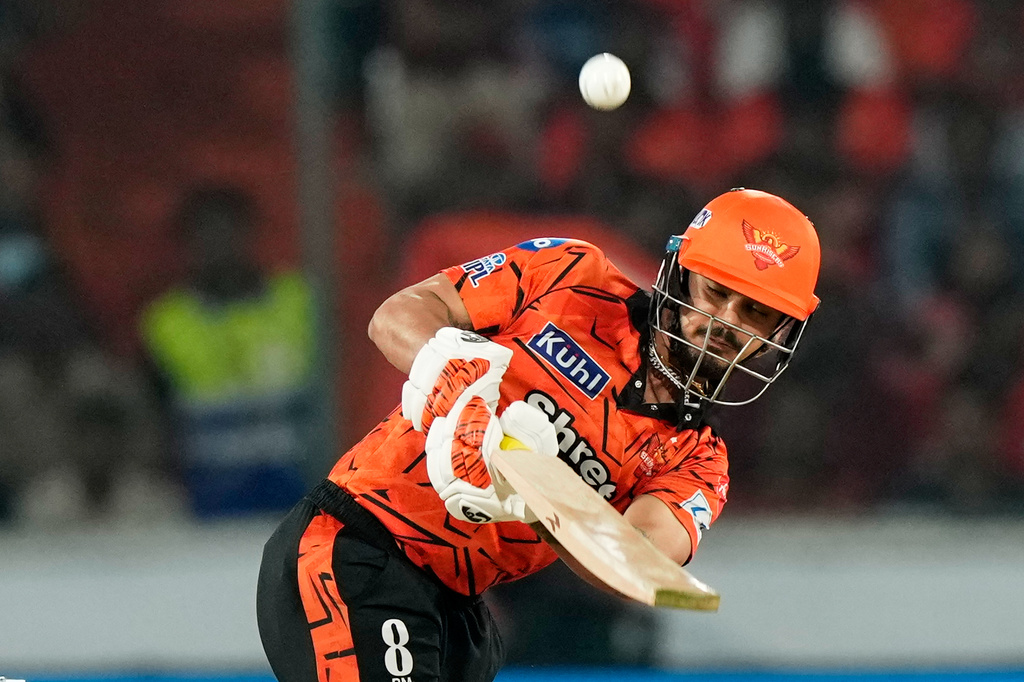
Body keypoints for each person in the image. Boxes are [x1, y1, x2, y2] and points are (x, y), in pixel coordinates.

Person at [256, 187, 821, 681]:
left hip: (459, 608)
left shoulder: (698, 461)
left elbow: (635, 561)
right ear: (679, 274)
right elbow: (398, 315)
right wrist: (457, 382)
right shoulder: (573, 275)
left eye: (755, 312)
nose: (724, 322)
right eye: (715, 292)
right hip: (355, 545)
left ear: (779, 334)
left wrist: (532, 495)